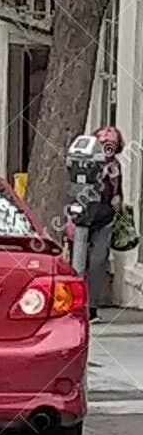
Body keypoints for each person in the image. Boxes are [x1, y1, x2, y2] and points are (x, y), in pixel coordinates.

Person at [73, 125, 124, 321]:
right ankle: (77, 305)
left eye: (112, 134)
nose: (108, 134)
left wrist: (118, 199)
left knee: (97, 261)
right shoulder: (85, 162)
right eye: (104, 133)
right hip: (84, 218)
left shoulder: (116, 165)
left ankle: (92, 307)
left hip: (105, 217)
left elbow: (117, 188)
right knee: (79, 262)